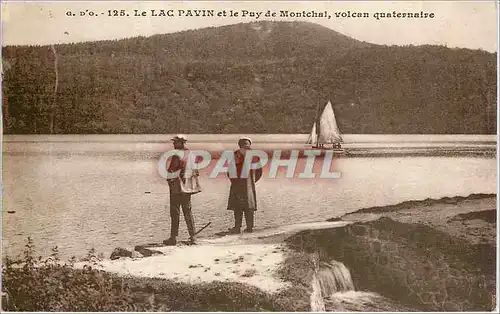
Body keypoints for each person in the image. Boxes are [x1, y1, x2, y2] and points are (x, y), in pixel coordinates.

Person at [163, 135, 201, 245]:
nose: (173, 144)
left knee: (175, 212)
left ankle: (173, 238)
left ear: (181, 143)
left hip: (177, 187)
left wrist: (169, 180)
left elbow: (172, 170)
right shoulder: (192, 155)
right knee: (188, 211)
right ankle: (193, 237)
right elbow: (196, 172)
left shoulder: (177, 155)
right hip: (188, 187)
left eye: (175, 142)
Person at [227, 137, 263, 234]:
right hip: (249, 186)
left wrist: (234, 181)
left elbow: (230, 171)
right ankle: (249, 227)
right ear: (249, 144)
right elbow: (259, 172)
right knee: (249, 206)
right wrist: (252, 182)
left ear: (239, 145)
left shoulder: (236, 154)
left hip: (237, 184)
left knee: (237, 207)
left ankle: (237, 228)